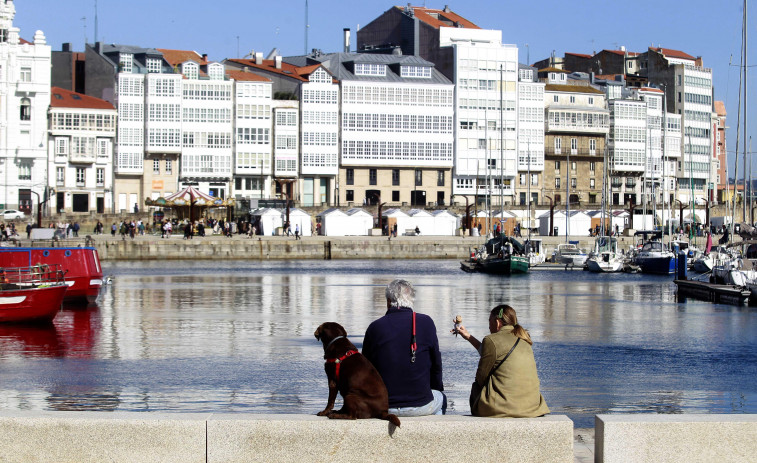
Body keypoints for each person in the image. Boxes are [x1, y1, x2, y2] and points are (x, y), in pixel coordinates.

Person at [362, 279, 446, 416]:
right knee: (440, 397)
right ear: (412, 300)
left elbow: (365, 369)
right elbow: (436, 365)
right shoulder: (426, 323)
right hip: (420, 404)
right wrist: (434, 389)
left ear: (389, 301)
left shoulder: (375, 327)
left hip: (382, 405)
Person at [454, 304, 549, 418]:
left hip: (502, 408)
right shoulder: (524, 339)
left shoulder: (491, 339)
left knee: (477, 386)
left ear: (497, 322)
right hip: (532, 407)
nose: (489, 326)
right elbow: (496, 351)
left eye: (489, 321)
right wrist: (468, 336)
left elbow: (481, 378)